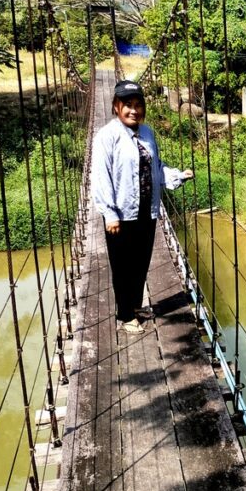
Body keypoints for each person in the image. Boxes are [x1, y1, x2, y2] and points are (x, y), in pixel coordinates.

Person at [91, 79, 194, 334]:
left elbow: (155, 167)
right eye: (127, 105)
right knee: (123, 267)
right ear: (116, 106)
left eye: (138, 105)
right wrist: (110, 214)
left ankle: (135, 306)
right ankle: (125, 316)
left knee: (140, 263)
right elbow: (101, 176)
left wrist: (177, 176)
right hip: (121, 215)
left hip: (147, 211)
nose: (133, 110)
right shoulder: (106, 137)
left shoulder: (147, 133)